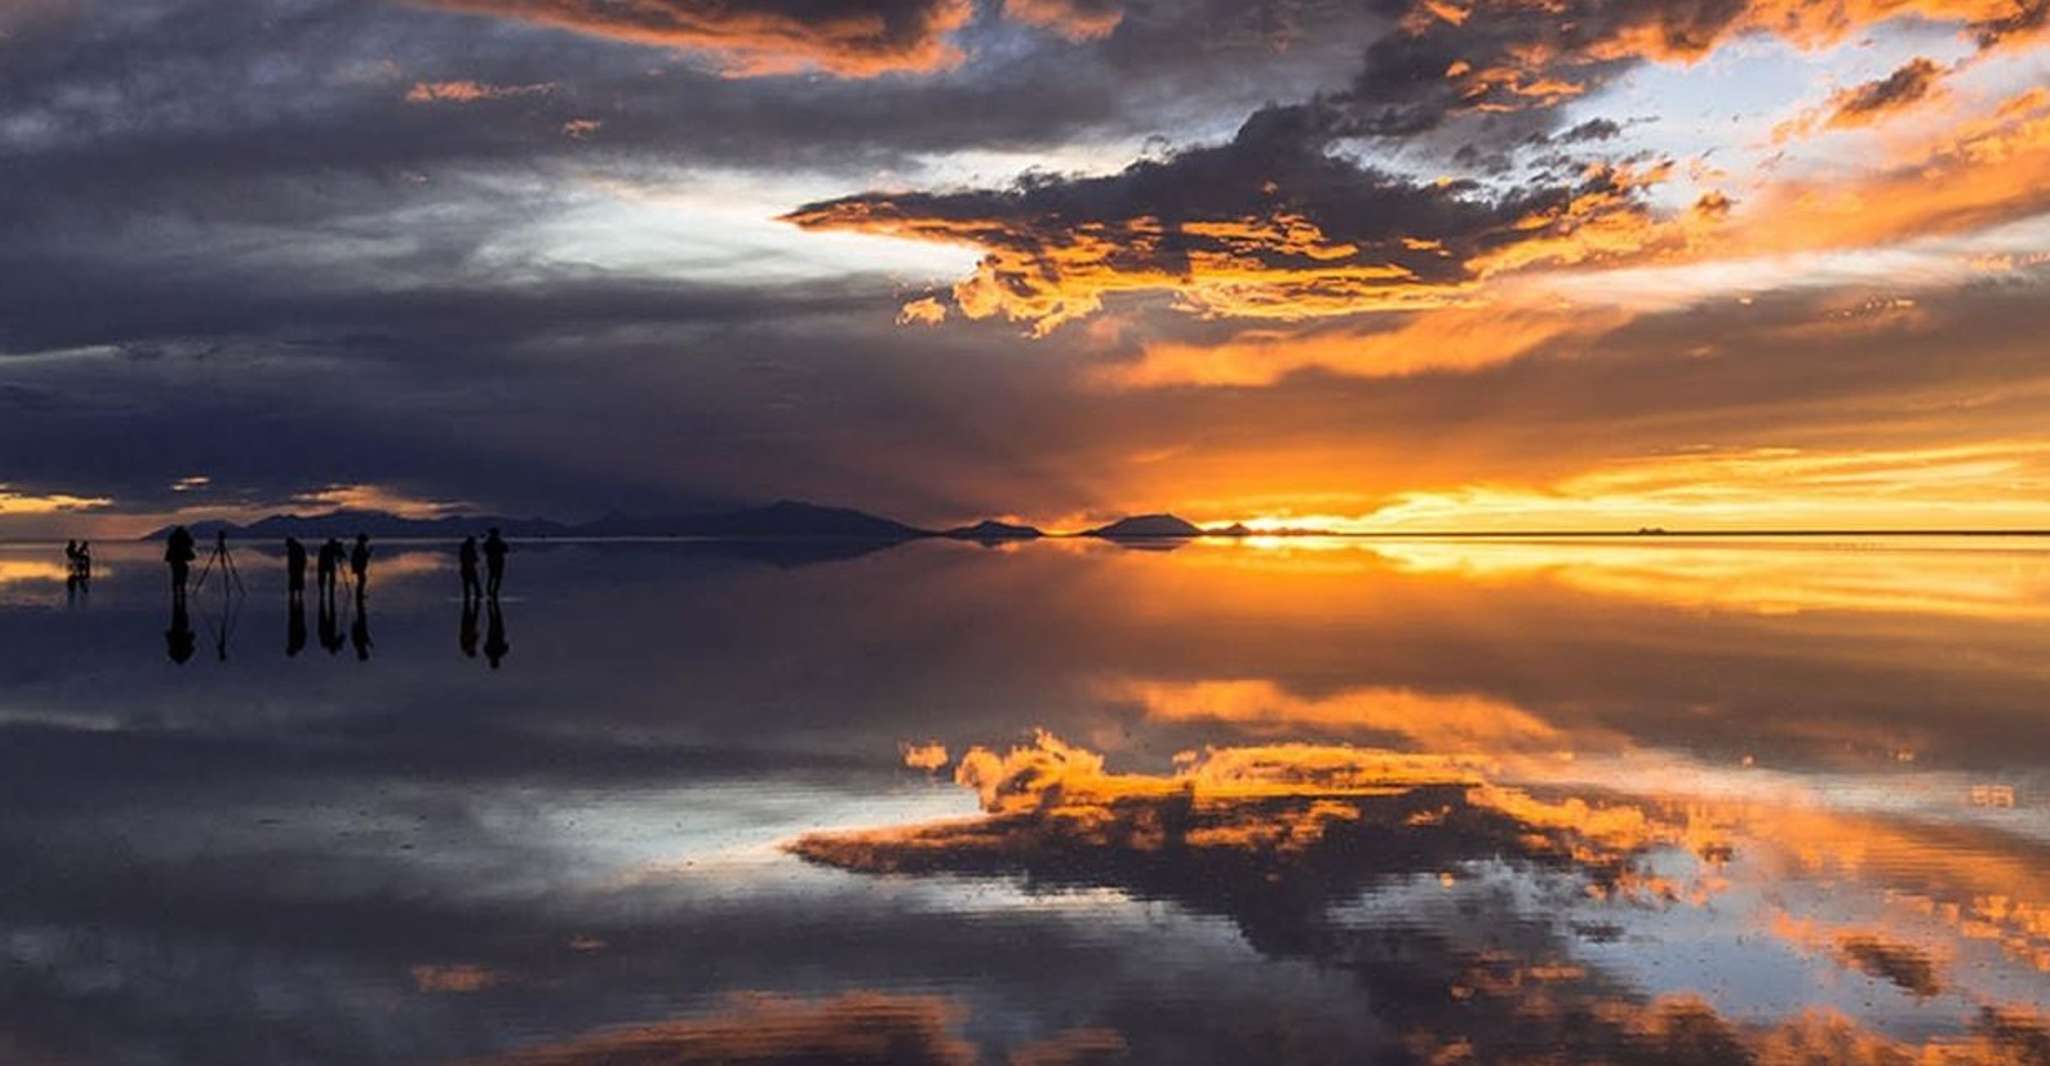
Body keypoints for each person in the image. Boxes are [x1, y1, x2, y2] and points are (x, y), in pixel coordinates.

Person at [165, 526, 197, 602]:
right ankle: (181, 591)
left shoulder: (173, 538)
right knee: (182, 575)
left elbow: (169, 545)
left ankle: (176, 592)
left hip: (174, 560)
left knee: (175, 576)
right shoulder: (183, 538)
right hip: (181, 560)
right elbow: (191, 543)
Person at [483, 527, 509, 598]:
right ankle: (493, 592)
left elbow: (485, 550)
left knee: (492, 576)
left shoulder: (489, 542)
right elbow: (506, 549)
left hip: (492, 561)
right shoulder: (498, 542)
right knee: (496, 577)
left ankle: (491, 591)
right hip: (497, 561)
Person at [458, 536, 481, 601]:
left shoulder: (464, 549)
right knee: (474, 582)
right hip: (470, 568)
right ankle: (477, 594)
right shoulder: (470, 549)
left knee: (467, 584)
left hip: (464, 569)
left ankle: (468, 596)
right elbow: (475, 559)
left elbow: (462, 559)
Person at [349, 534, 372, 598]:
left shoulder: (360, 547)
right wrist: (369, 551)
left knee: (362, 580)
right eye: (364, 540)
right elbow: (364, 556)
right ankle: (359, 595)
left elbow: (365, 556)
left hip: (360, 567)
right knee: (362, 580)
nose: (365, 542)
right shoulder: (360, 547)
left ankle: (359, 594)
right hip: (359, 567)